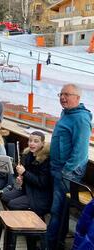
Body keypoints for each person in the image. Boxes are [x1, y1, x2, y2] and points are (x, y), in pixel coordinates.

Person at [47, 84, 92, 249]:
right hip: (58, 168)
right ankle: (56, 242)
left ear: (78, 98)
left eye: (67, 94)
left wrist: (66, 171)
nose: (62, 97)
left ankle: (50, 245)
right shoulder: (66, 113)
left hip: (67, 172)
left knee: (56, 211)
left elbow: (80, 151)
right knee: (60, 211)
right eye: (61, 94)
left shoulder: (81, 118)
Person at [0, 131, 52, 217]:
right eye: (30, 140)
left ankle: (23, 222)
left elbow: (42, 183)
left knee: (13, 204)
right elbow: (27, 178)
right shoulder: (28, 155)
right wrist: (22, 181)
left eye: (36, 141)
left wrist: (24, 173)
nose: (31, 143)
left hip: (39, 195)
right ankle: (15, 219)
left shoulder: (46, 160)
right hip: (27, 189)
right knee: (4, 196)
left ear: (42, 143)